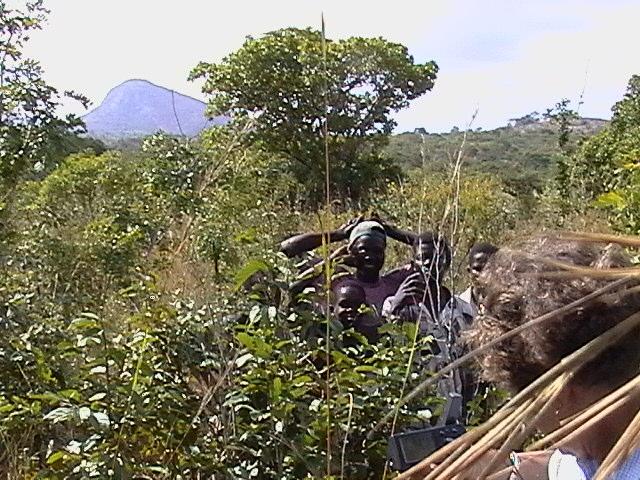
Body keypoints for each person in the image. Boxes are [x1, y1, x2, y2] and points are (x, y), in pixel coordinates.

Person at [460, 235, 640, 479]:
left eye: (528, 403)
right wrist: (504, 465)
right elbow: (555, 466)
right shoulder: (593, 451)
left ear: (556, 394)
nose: (531, 424)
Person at [458, 242, 499, 311]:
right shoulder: (457, 308)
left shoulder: (508, 306)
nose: (483, 275)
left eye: (489, 269)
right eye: (478, 269)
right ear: (469, 271)